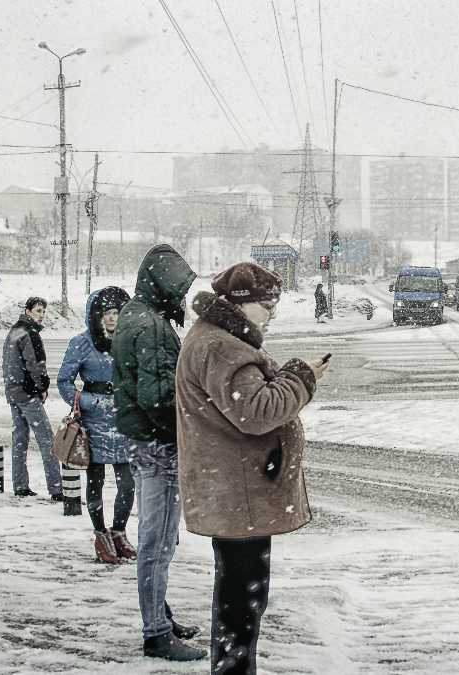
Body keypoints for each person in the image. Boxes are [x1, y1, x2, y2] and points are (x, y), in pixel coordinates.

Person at [176, 262, 327, 675]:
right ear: (242, 304)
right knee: (241, 599)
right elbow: (257, 412)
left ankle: (232, 666)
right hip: (237, 493)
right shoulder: (223, 347)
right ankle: (232, 670)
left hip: (233, 489)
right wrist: (301, 378)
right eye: (267, 303)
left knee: (239, 595)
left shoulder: (216, 339)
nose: (272, 312)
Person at [112, 244, 206, 662]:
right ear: (164, 286)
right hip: (159, 447)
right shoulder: (150, 325)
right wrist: (185, 434)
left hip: (142, 441)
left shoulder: (137, 315)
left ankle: (161, 617)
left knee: (159, 535)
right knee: (158, 541)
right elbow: (159, 396)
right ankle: (155, 633)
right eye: (180, 289)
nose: (183, 297)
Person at [57, 286, 135, 564]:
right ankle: (100, 534)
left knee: (127, 482)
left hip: (124, 420)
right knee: (96, 480)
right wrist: (87, 402)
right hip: (94, 422)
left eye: (117, 313)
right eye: (107, 313)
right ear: (95, 316)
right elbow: (63, 380)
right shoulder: (81, 343)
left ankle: (119, 531)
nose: (112, 319)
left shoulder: (128, 340)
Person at [4, 297, 62, 500]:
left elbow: (9, 363)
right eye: (38, 310)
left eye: (43, 311)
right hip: (28, 393)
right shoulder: (30, 334)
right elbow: (36, 365)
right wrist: (42, 387)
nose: (41, 315)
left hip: (14, 391)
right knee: (47, 439)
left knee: (20, 439)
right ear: (27, 311)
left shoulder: (13, 332)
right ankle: (57, 488)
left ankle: (20, 485)